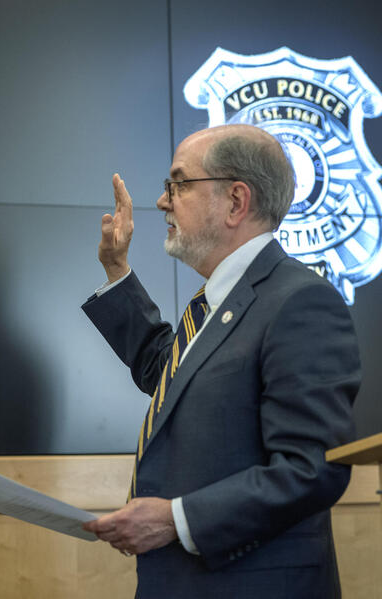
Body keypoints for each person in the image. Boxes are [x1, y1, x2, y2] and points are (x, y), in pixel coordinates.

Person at [81, 124, 360, 598]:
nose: (163, 201)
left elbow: (311, 469)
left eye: (179, 184)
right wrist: (117, 273)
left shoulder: (300, 303)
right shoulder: (215, 304)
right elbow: (166, 374)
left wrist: (176, 520)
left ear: (235, 201)